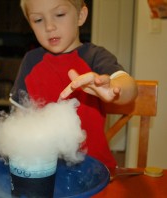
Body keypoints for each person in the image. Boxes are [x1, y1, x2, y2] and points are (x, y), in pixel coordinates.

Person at [10, 0, 138, 169]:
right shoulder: (30, 61)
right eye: (38, 20)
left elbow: (129, 87)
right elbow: (19, 118)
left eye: (60, 14)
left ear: (80, 16)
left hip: (93, 169)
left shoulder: (96, 57)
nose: (49, 26)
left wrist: (114, 88)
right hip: (42, 167)